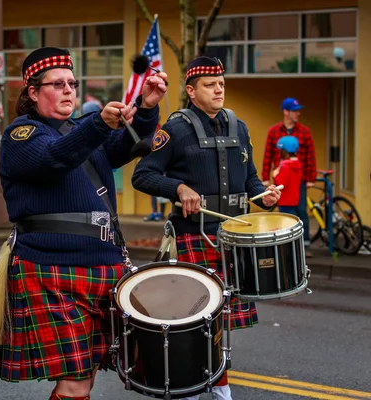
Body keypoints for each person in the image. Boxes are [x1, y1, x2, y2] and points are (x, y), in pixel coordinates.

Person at [0, 46, 166, 400]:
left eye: (72, 82)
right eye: (57, 84)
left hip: (102, 267)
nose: (68, 89)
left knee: (83, 380)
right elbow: (54, 158)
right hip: (50, 268)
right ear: (33, 93)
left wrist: (146, 108)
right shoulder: (21, 135)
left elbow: (133, 144)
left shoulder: (83, 132)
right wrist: (98, 124)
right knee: (74, 380)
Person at [132, 56, 280, 400]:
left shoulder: (239, 126)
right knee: (195, 322)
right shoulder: (175, 128)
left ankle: (217, 388)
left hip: (231, 238)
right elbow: (143, 174)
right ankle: (195, 392)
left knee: (217, 324)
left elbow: (251, 179)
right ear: (191, 90)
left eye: (221, 84)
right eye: (210, 84)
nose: (218, 89)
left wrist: (264, 196)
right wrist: (178, 188)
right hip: (191, 236)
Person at [262, 97, 317, 249]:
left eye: (298, 110)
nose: (298, 113)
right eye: (294, 111)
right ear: (285, 112)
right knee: (283, 211)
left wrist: (311, 178)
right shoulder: (274, 131)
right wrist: (265, 177)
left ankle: (305, 244)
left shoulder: (304, 132)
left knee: (301, 210)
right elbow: (268, 155)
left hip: (299, 180)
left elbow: (311, 156)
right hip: (280, 179)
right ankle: (285, 243)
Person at [273, 135, 302, 216]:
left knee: (285, 223)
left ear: (285, 151)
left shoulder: (285, 166)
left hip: (285, 201)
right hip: (294, 200)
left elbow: (282, 184)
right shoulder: (297, 164)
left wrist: (275, 175)